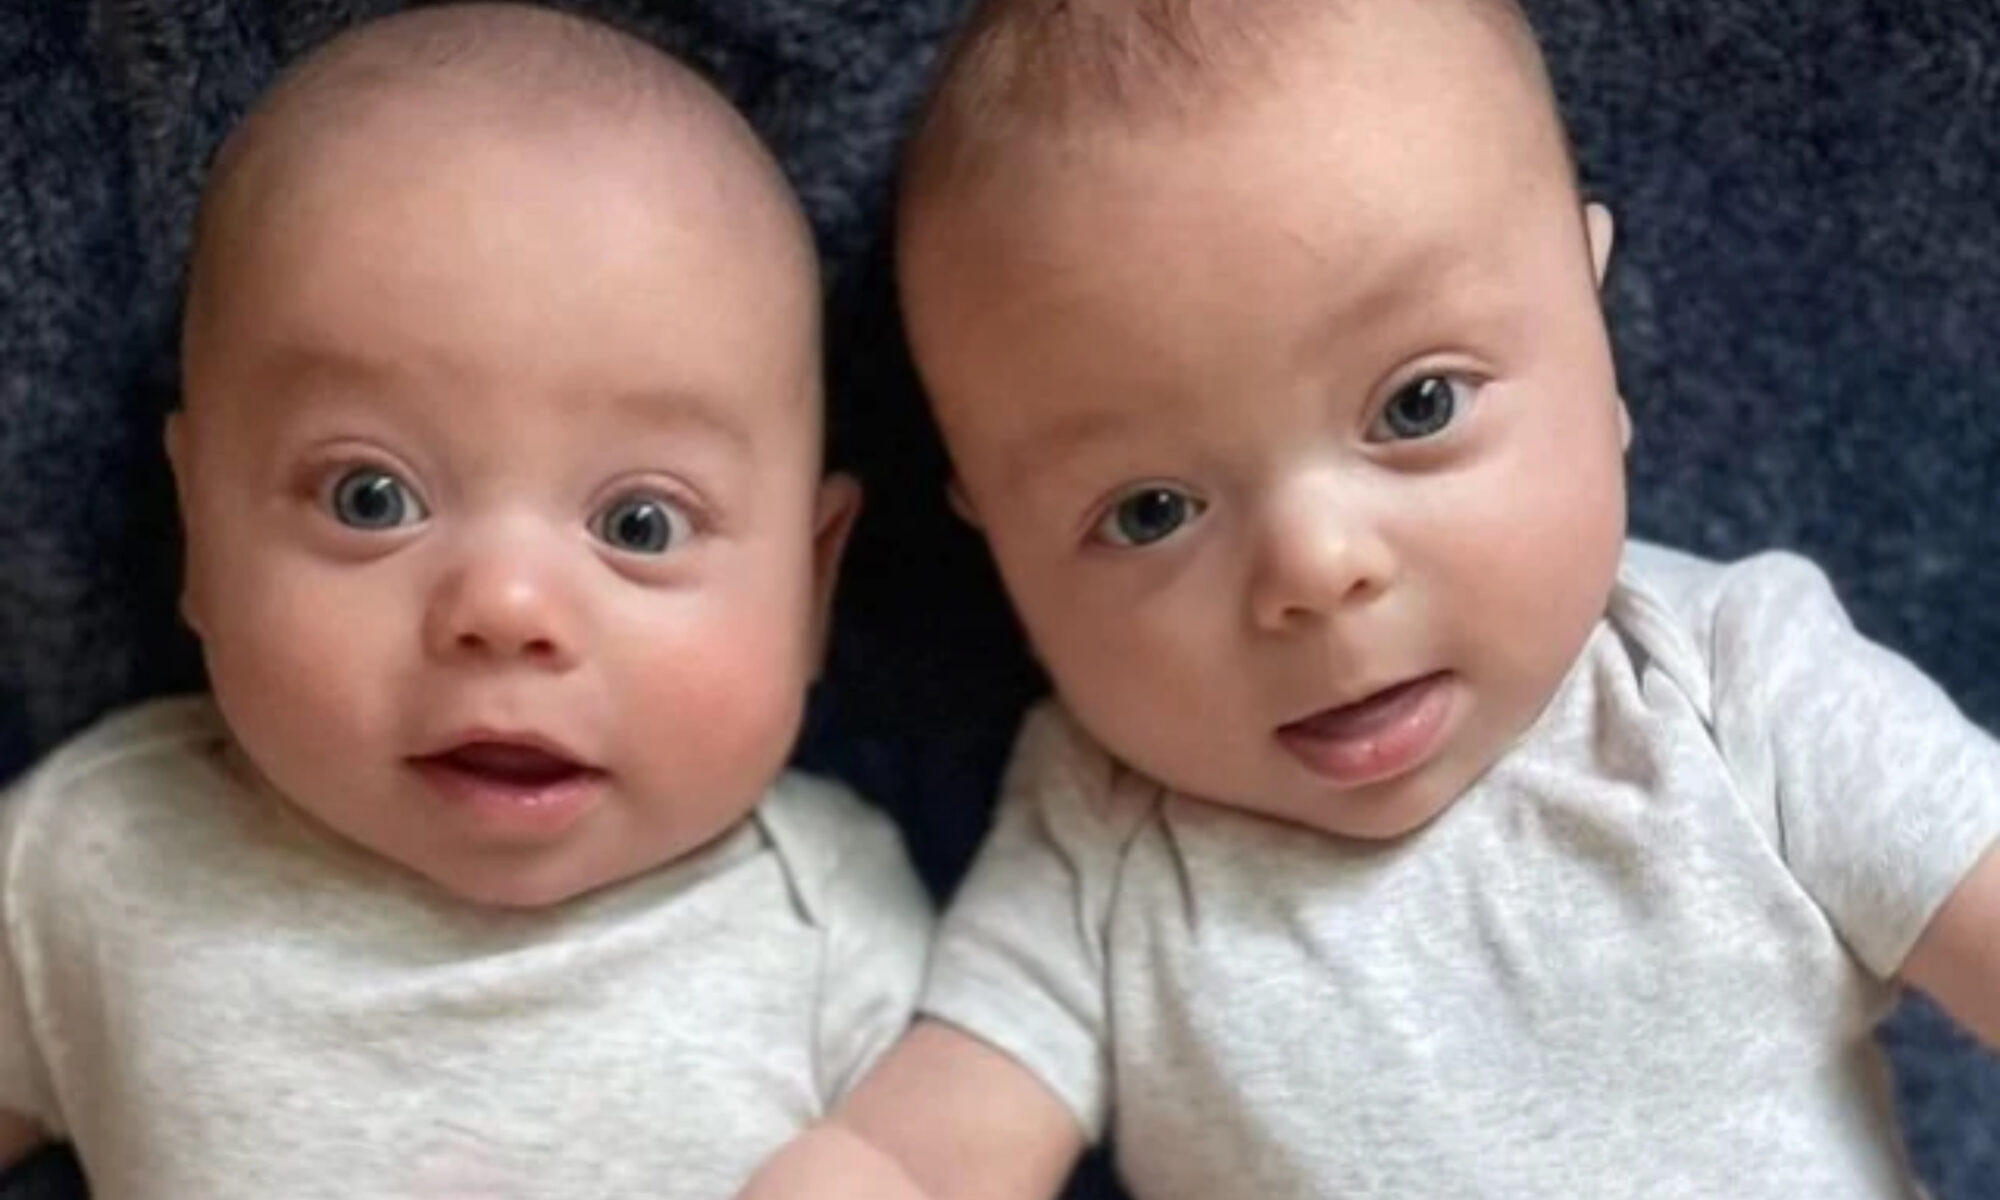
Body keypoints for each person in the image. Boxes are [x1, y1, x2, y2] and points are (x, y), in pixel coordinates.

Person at [742, 0, 2000, 1196]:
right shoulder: (1103, 834)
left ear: (1595, 335)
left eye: (1417, 405)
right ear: (999, 543)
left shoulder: (1725, 683)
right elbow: (940, 1143)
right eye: (1148, 512)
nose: (1313, 569)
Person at [0, 5, 931, 1196]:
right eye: (371, 498)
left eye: (639, 525)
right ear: (199, 533)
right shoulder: (93, 856)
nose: (505, 606)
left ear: (809, 586)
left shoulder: (833, 920)